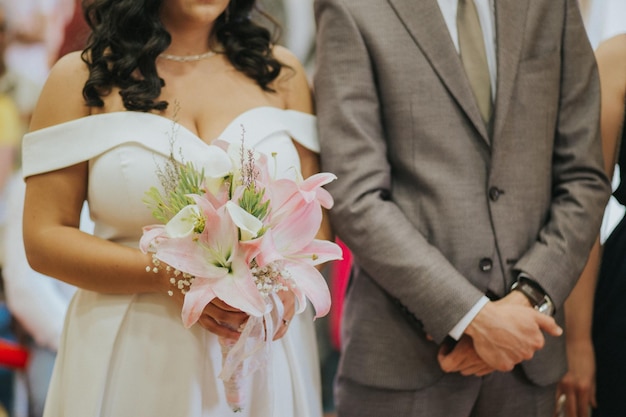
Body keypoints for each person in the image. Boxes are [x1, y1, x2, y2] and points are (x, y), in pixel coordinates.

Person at [21, 0, 330, 416]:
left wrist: (284, 285)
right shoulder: (80, 78)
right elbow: (44, 238)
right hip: (131, 344)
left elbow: (315, 226)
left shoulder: (281, 74)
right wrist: (172, 275)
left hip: (262, 349)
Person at [313, 1, 611, 416]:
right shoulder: (353, 7)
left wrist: (527, 301)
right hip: (404, 368)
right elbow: (355, 196)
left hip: (526, 369)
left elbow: (585, 176)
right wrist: (472, 318)